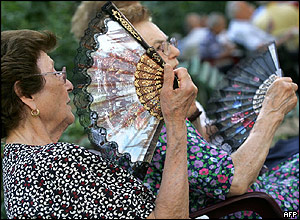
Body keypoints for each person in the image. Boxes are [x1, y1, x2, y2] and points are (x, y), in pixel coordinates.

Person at [71, 2, 299, 218]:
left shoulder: (133, 116)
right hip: (262, 209)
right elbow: (235, 181)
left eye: (169, 43)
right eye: (160, 48)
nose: (175, 53)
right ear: (132, 65)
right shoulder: (151, 125)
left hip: (261, 192)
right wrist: (271, 113)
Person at [1, 29, 199, 219]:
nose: (68, 85)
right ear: (25, 94)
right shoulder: (58, 164)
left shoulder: (16, 164)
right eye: (55, 73)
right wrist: (175, 119)